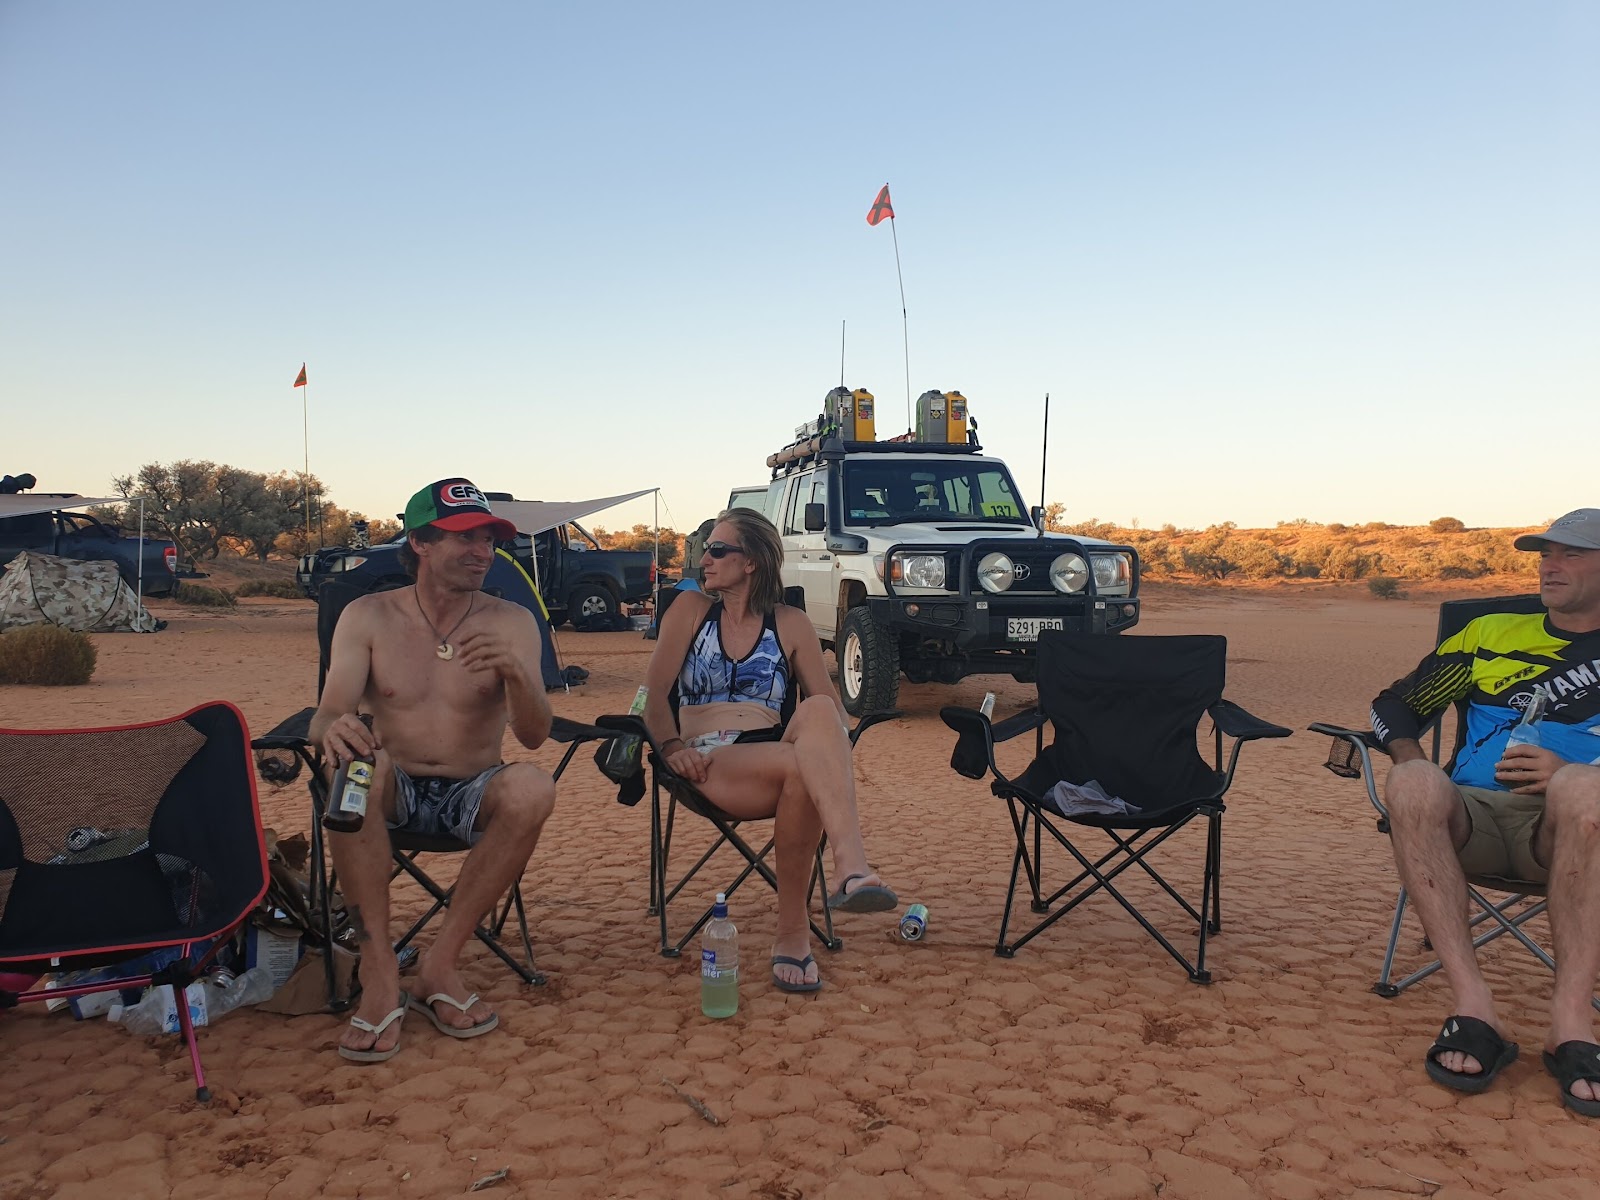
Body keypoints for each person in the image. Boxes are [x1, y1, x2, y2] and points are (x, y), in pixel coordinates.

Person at [309, 477, 557, 1062]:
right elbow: (326, 715)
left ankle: (439, 965)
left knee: (532, 786)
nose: (482, 552)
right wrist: (335, 730)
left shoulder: (513, 621)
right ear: (419, 542)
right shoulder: (368, 616)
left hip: (474, 789)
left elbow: (534, 735)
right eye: (464, 537)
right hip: (390, 786)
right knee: (356, 771)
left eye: (489, 539)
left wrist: (519, 676)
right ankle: (378, 970)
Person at [1370, 509, 1600, 1114]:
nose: (1551, 566)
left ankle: (1571, 1024)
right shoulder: (1489, 635)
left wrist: (1573, 771)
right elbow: (1395, 706)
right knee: (1414, 781)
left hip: (1572, 828)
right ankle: (1474, 1008)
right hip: (1470, 816)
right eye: (1546, 554)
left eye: (1573, 554)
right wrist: (1408, 755)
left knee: (1584, 788)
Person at [641, 507, 898, 993]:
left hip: (775, 752)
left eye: (718, 550)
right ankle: (797, 931)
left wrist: (827, 738)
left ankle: (850, 865)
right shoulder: (690, 611)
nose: (704, 559)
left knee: (820, 710)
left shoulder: (791, 623)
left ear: (751, 562)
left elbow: (833, 713)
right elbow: (649, 695)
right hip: (706, 760)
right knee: (800, 769)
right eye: (706, 550)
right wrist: (670, 746)